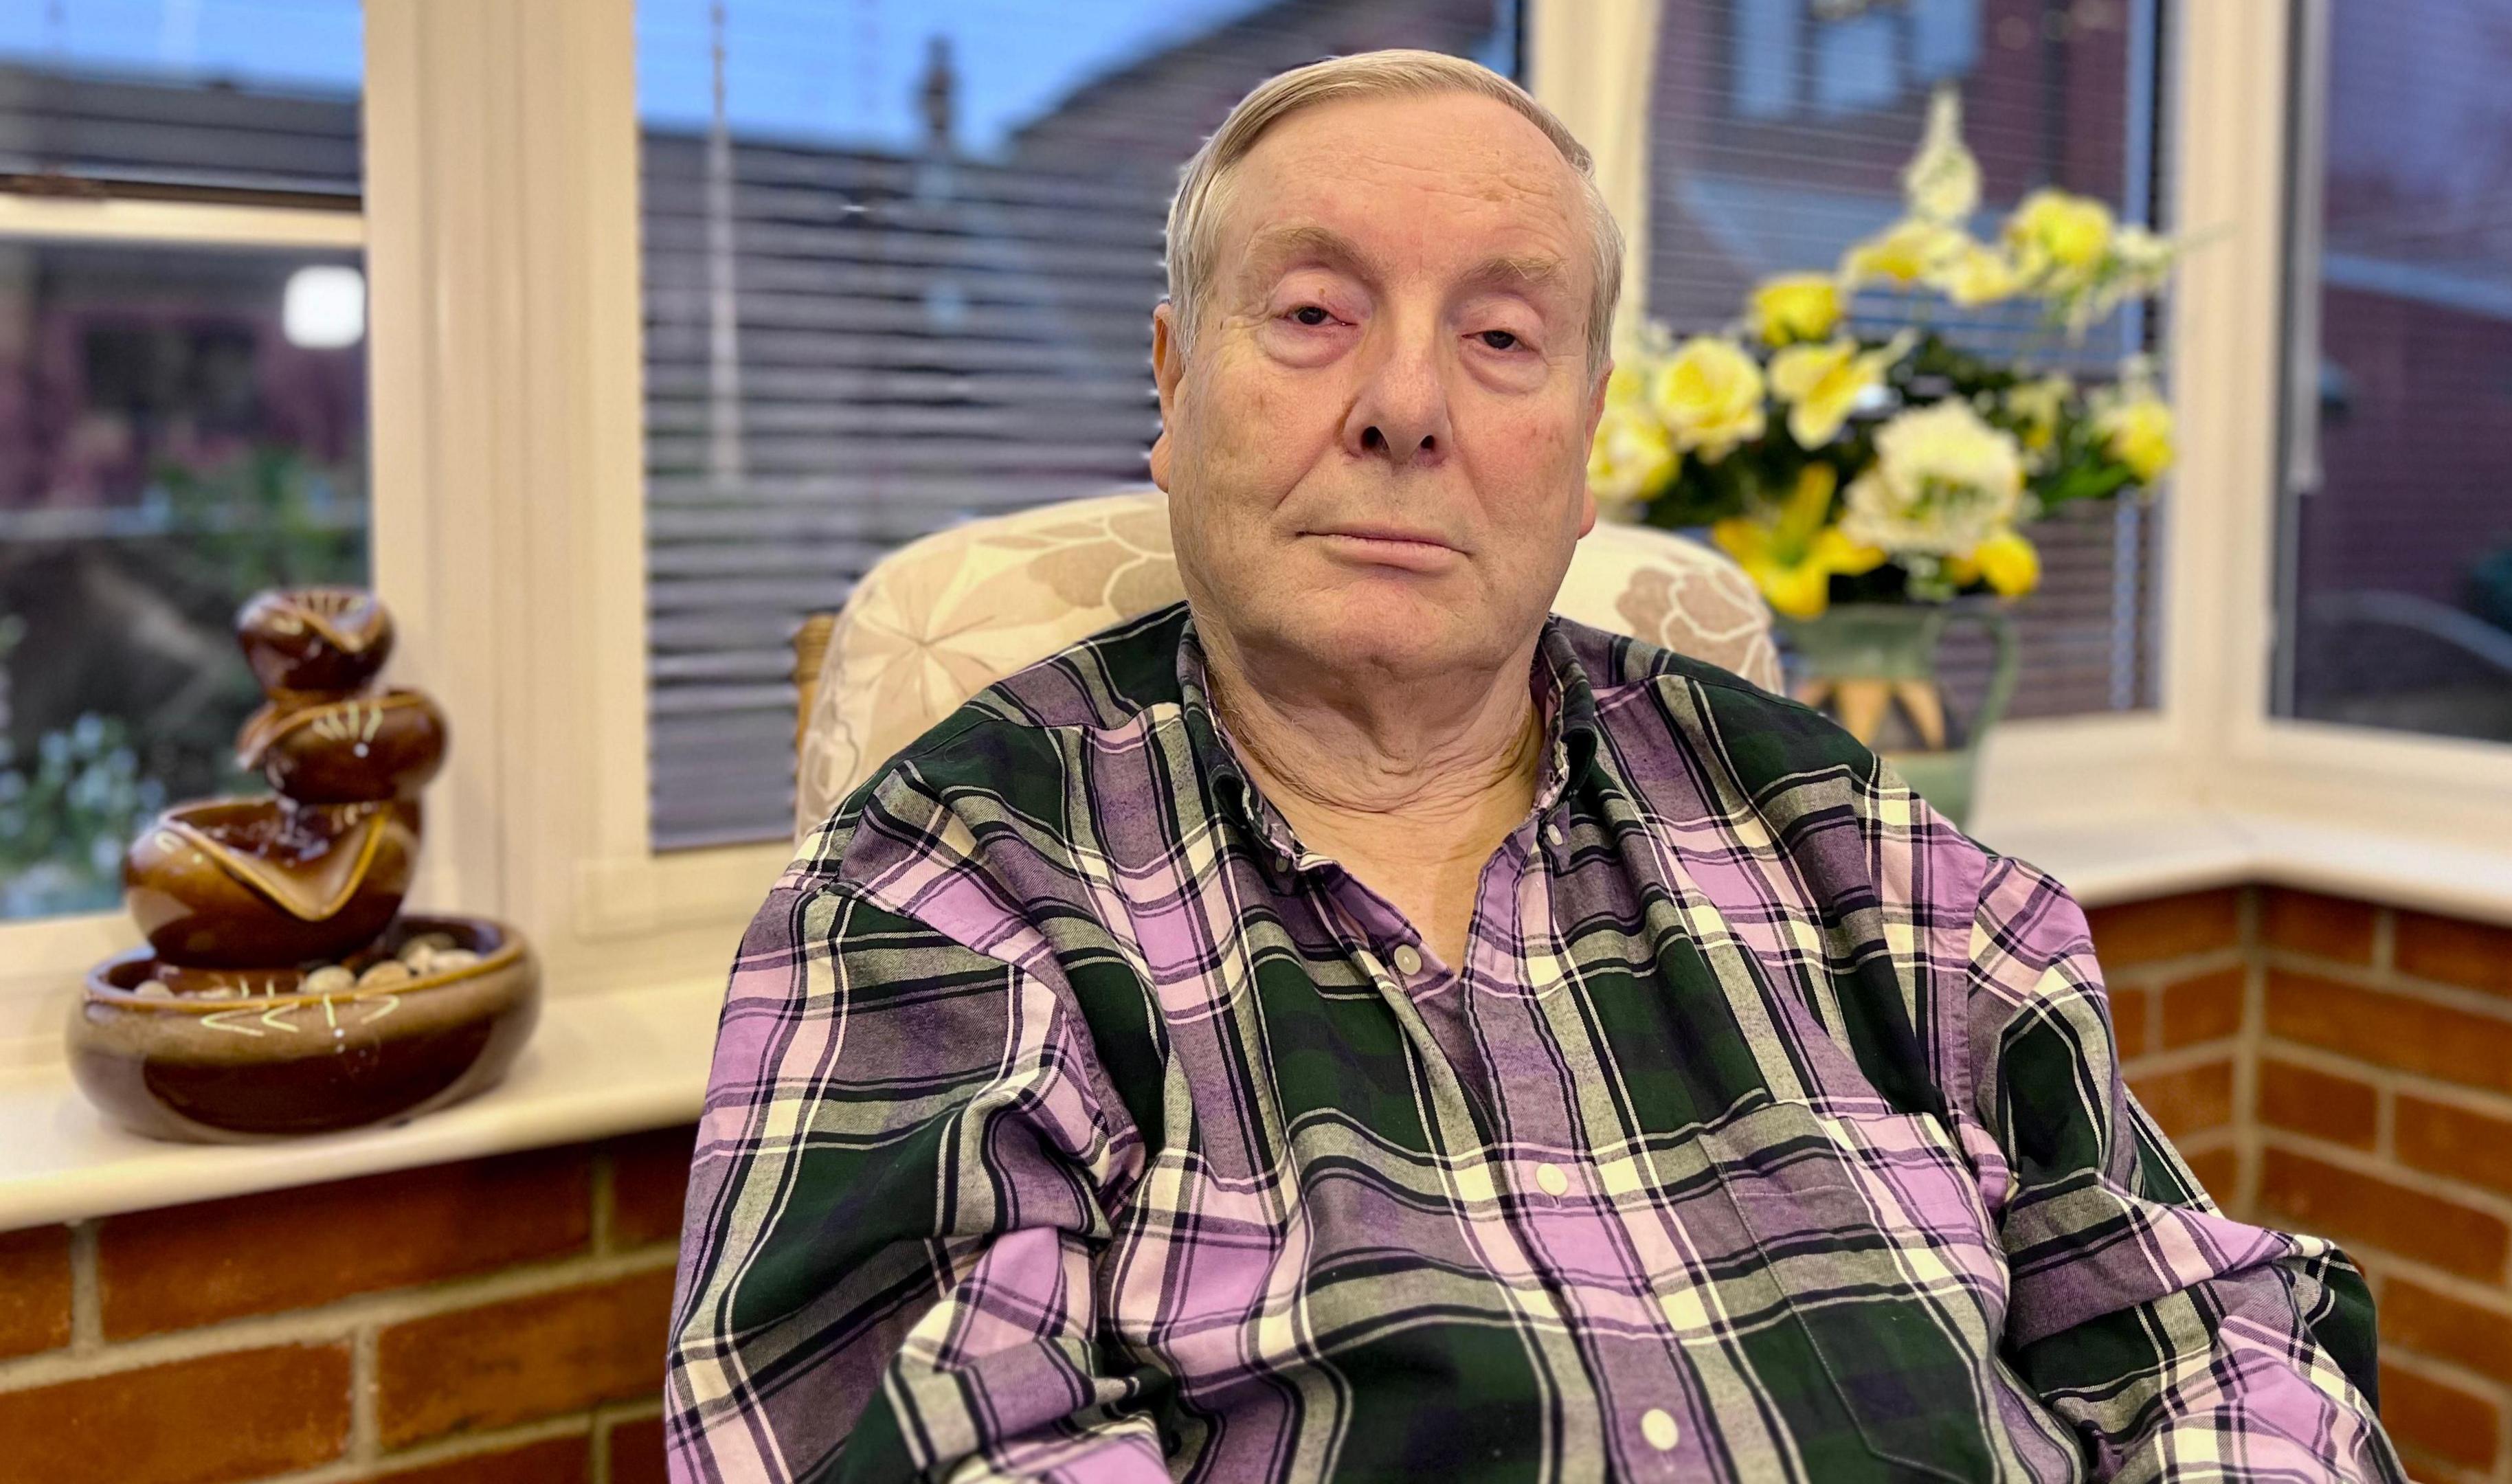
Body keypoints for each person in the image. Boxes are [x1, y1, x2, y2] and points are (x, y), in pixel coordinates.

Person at [664, 49, 2403, 1483]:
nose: (1405, 403)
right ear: (1176, 384)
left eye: (1502, 339)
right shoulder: (946, 891)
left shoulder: (1851, 840)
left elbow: (2206, 1334)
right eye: (1315, 311)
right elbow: (890, 1445)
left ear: (1583, 446)